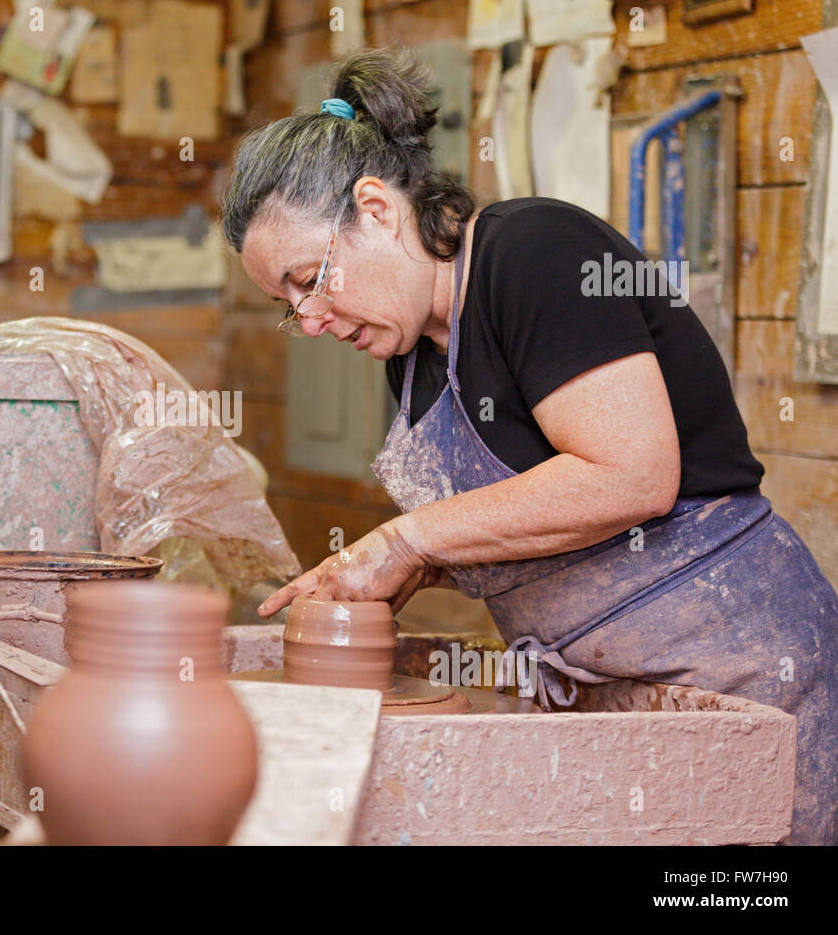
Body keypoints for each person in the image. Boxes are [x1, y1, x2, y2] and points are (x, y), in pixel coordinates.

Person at [222, 48, 836, 845]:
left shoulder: (535, 253)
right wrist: (410, 565)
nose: (308, 319)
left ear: (375, 209)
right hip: (592, 699)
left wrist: (407, 535)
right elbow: (530, 516)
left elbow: (632, 477)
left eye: (310, 279)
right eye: (285, 303)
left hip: (736, 671)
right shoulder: (411, 358)